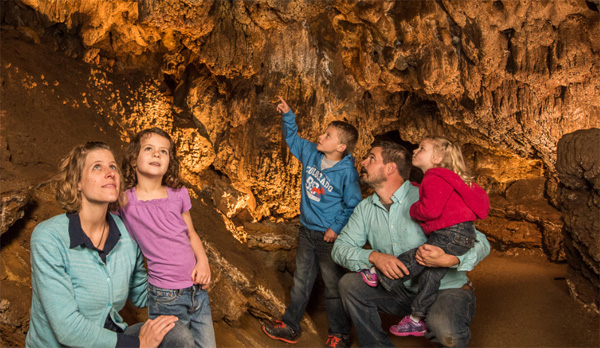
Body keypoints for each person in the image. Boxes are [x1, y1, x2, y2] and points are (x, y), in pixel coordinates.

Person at [26, 142, 194, 348]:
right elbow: (67, 328)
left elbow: (142, 294)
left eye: (113, 167)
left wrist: (185, 285)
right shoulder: (49, 237)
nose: (110, 173)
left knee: (177, 334)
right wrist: (138, 345)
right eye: (97, 166)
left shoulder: (127, 232)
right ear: (77, 181)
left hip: (113, 338)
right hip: (69, 344)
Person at [332, 140, 490, 348]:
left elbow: (480, 241)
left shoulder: (427, 195)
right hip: (400, 290)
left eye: (371, 158)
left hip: (445, 289)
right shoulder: (365, 209)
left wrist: (450, 259)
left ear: (390, 168)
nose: (362, 162)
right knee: (350, 284)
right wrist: (374, 257)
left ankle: (438, 317)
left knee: (446, 330)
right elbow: (339, 248)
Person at [261, 97, 362, 348]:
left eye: (327, 135)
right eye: (324, 132)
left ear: (340, 147)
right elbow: (292, 139)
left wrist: (335, 229)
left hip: (328, 238)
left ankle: (340, 334)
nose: (321, 136)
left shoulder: (347, 173)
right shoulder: (311, 153)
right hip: (306, 230)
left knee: (332, 286)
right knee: (301, 281)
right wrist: (288, 116)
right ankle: (291, 326)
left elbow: (352, 204)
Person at [119, 128, 216, 348]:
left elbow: (191, 233)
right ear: (134, 159)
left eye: (163, 151)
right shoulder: (125, 202)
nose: (157, 154)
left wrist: (203, 261)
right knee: (178, 344)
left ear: (169, 161)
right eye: (149, 149)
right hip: (165, 296)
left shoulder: (178, 193)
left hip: (197, 290)